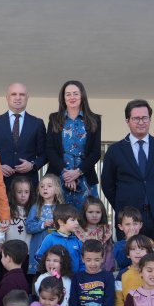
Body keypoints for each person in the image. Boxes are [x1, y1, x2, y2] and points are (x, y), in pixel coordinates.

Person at [100, 99, 154, 238]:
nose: (141, 122)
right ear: (127, 120)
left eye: (145, 118)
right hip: (129, 218)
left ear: (150, 119)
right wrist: (122, 205)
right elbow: (107, 184)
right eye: (136, 118)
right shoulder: (115, 150)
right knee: (129, 257)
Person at [45, 80, 102, 210]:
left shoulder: (94, 119)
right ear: (63, 98)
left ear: (82, 96)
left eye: (75, 93)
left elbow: (96, 152)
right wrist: (66, 173)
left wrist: (77, 172)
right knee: (58, 218)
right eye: (68, 94)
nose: (72, 97)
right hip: (59, 177)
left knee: (87, 217)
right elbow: (49, 149)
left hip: (85, 176)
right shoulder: (54, 118)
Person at [0, 82, 46, 194]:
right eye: (14, 94)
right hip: (0, 184)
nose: (18, 98)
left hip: (28, 186)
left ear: (27, 98)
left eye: (22, 94)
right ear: (7, 98)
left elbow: (45, 154)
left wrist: (32, 165)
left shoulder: (37, 123)